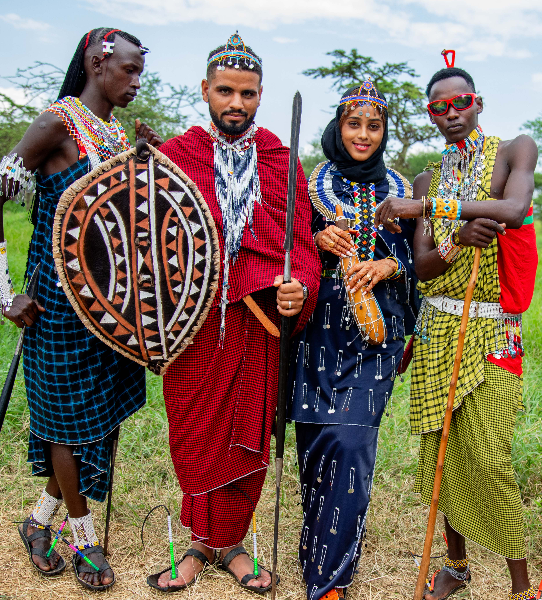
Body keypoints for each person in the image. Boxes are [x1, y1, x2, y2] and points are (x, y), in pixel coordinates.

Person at [0, 27, 163, 591]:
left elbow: (112, 211)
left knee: (94, 418)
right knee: (65, 423)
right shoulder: (57, 121)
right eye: (128, 70)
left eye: (139, 73)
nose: (135, 81)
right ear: (96, 61)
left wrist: (141, 159)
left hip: (108, 304)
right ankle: (82, 539)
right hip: (55, 302)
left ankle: (37, 522)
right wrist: (4, 294)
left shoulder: (107, 132)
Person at [145, 32, 321, 594]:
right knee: (194, 432)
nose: (235, 104)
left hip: (257, 323)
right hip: (193, 324)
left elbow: (302, 247)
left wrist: (298, 290)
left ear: (261, 95)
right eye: (225, 91)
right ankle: (199, 541)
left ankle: (234, 542)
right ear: (205, 91)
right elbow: (149, 244)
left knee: (248, 434)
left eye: (246, 93)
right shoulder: (176, 157)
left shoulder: (279, 159)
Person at [374, 63, 541, 600]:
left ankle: (520, 584)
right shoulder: (428, 176)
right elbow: (422, 267)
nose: (451, 114)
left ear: (478, 102)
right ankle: (457, 565)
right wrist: (456, 240)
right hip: (439, 328)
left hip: (492, 330)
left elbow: (513, 210)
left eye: (460, 102)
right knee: (442, 455)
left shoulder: (516, 149)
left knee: (489, 457)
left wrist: (429, 208)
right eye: (438, 108)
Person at [290, 81, 419, 600]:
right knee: (317, 443)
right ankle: (316, 553)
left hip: (375, 336)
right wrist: (315, 239)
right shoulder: (309, 184)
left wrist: (389, 263)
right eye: (354, 124)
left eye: (374, 125)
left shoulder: (401, 188)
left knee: (351, 445)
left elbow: (421, 259)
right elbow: (285, 247)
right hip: (317, 332)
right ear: (338, 127)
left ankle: (332, 581)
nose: (363, 134)